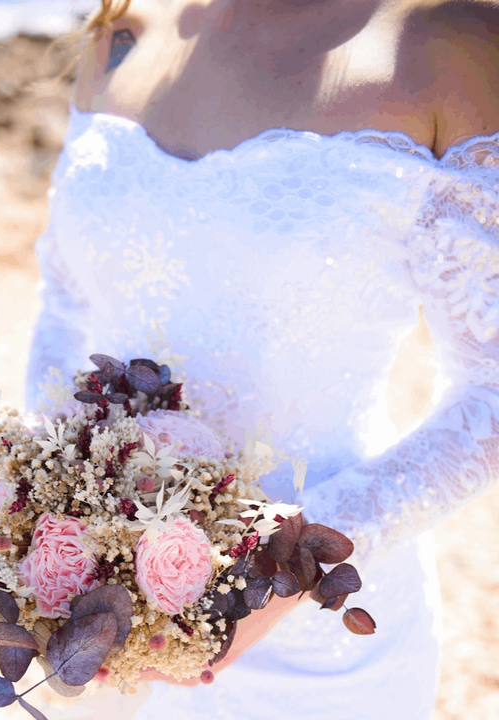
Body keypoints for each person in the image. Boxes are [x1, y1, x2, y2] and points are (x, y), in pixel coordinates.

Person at [26, 0, 499, 717]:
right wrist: (49, 513)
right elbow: (65, 306)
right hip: (103, 623)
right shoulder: (123, 27)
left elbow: (490, 389)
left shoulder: (447, 41)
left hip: (323, 644)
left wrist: (285, 567)